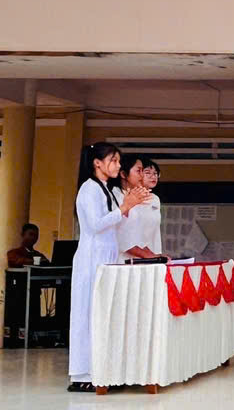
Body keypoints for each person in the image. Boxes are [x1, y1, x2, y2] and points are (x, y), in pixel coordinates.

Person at [68, 142, 150, 392]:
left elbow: (115, 222)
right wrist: (125, 207)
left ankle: (100, 371)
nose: (117, 165)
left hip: (106, 257)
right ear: (97, 163)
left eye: (118, 161)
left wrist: (131, 205)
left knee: (103, 314)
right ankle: (81, 374)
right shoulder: (88, 189)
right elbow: (95, 225)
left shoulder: (106, 189)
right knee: (87, 314)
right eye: (113, 160)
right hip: (92, 257)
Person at [115, 155, 164, 260]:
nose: (142, 175)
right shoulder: (116, 195)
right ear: (123, 174)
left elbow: (143, 234)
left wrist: (156, 255)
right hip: (122, 258)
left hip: (146, 257)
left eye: (156, 173)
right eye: (139, 171)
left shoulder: (154, 199)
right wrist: (148, 255)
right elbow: (120, 233)